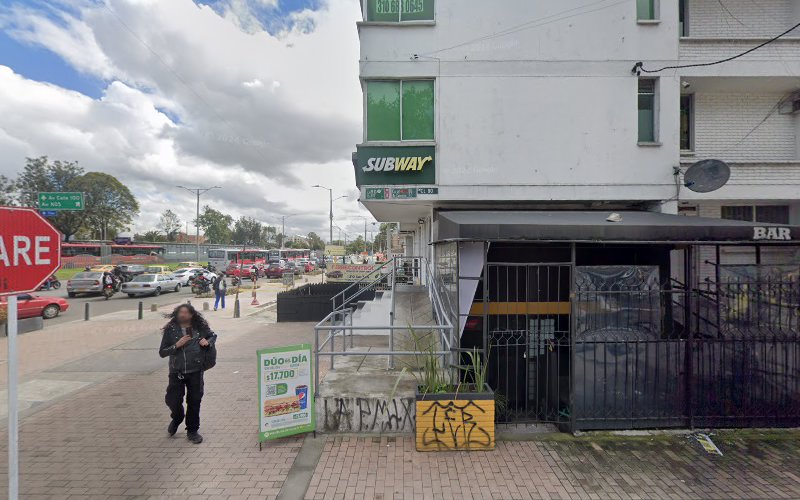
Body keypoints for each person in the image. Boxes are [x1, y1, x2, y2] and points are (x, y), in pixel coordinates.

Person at [159, 304, 216, 444]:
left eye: (186, 312)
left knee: (195, 401)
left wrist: (207, 342)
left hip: (195, 371)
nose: (182, 315)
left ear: (192, 314)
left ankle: (192, 430)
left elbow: (212, 336)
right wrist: (176, 345)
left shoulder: (200, 326)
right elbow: (162, 352)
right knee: (172, 400)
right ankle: (177, 417)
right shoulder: (171, 329)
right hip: (176, 371)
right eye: (180, 312)